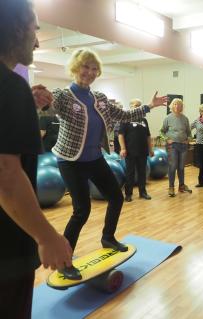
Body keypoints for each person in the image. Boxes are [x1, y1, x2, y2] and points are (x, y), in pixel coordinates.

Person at [47, 48, 166, 280]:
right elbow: (47, 105)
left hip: (94, 158)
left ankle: (108, 237)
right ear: (75, 68)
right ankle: (64, 260)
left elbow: (123, 115)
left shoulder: (99, 98)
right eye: (85, 67)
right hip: (70, 160)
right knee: (82, 210)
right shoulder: (62, 96)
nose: (89, 72)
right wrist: (36, 98)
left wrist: (149, 106)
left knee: (117, 197)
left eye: (94, 69)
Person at [0, 1, 72, 317]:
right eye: (35, 29)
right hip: (6, 253)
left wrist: (24, 103)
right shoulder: (9, 86)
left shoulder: (13, 90)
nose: (38, 40)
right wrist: (47, 237)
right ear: (17, 28)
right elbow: (5, 173)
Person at [119, 98, 154, 202]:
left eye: (139, 105)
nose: (138, 107)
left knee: (142, 173)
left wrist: (150, 149)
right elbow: (120, 135)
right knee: (130, 173)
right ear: (131, 107)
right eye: (135, 105)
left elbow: (148, 136)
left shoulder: (144, 120)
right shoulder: (126, 119)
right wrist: (123, 148)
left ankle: (143, 192)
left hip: (143, 151)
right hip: (130, 151)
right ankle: (128, 194)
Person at [161, 98, 192, 197]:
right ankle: (171, 187)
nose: (177, 106)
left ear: (182, 107)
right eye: (175, 104)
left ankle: (182, 186)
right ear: (171, 106)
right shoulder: (167, 118)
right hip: (172, 145)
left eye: (179, 104)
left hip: (183, 146)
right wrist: (167, 139)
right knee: (173, 166)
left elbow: (189, 133)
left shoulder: (185, 119)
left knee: (181, 167)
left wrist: (188, 139)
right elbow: (161, 132)